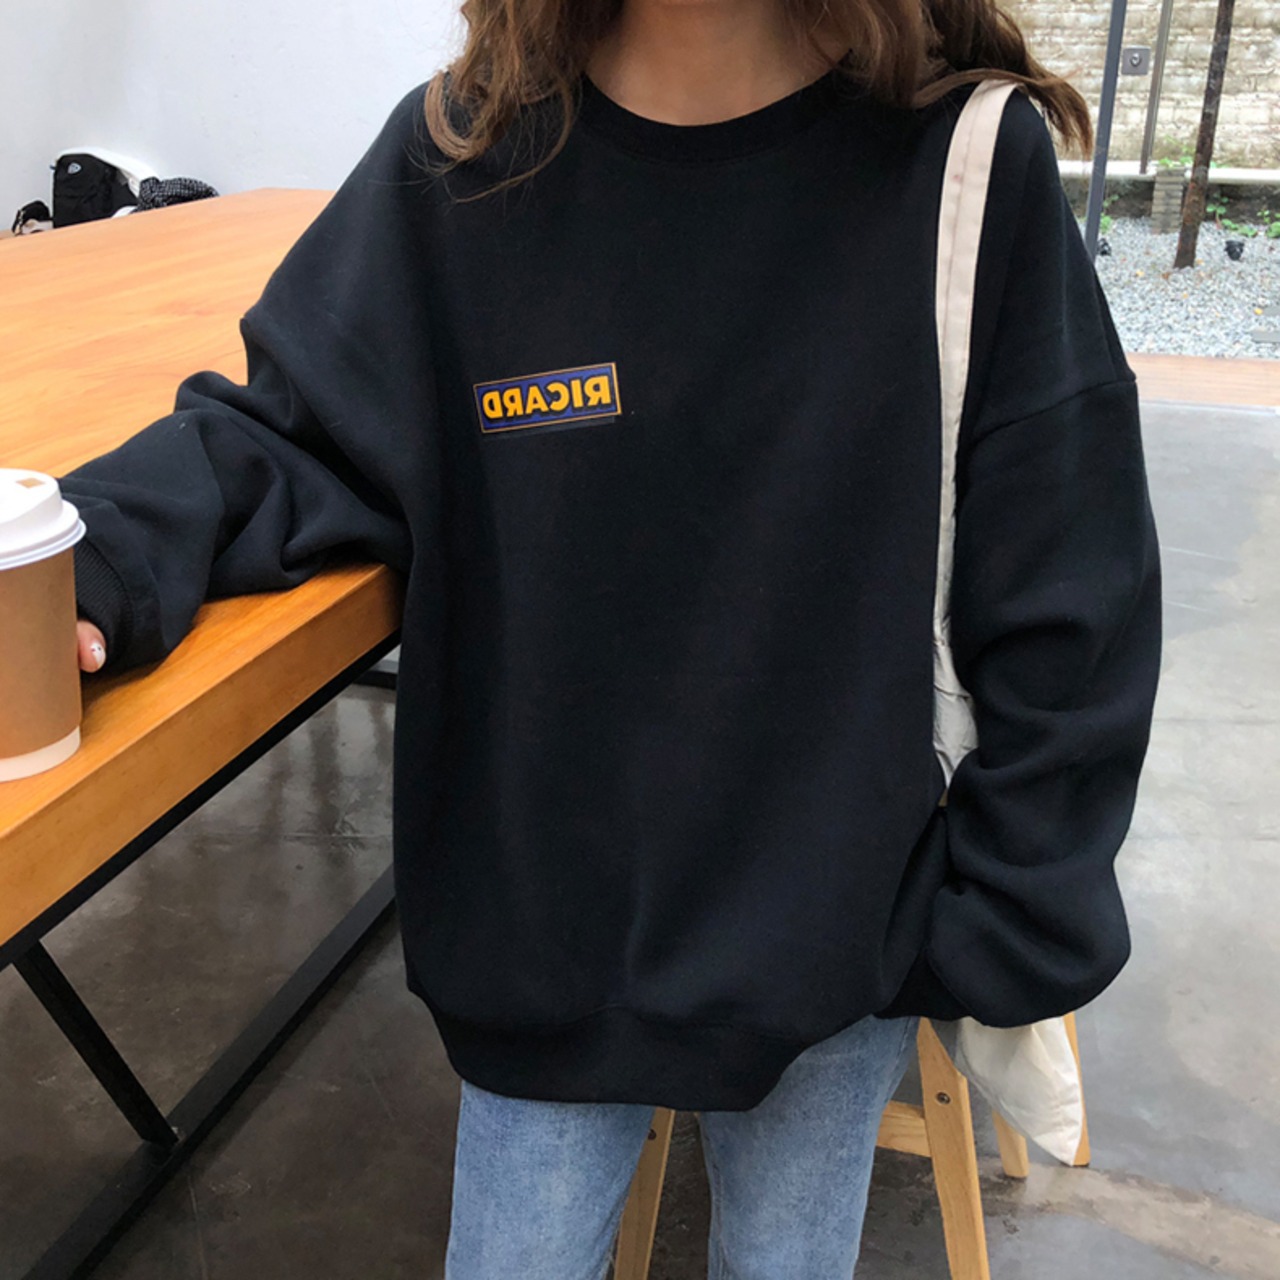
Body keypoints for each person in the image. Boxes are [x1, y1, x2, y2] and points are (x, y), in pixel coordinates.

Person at [58, 0, 1163, 1274]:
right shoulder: (461, 162)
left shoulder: (960, 162)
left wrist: (997, 922)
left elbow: (1069, 584)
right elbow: (291, 430)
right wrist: (88, 555)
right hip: (544, 941)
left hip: (838, 939)